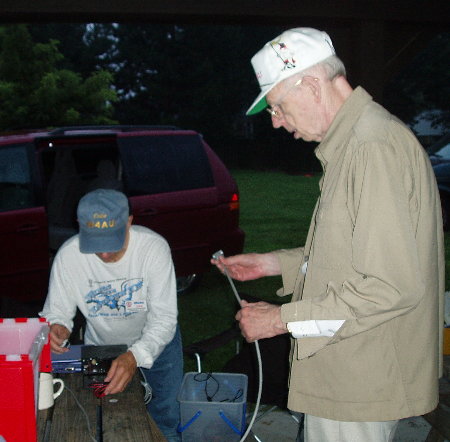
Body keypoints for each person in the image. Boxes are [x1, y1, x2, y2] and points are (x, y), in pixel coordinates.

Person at [212, 28, 444, 442]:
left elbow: (390, 286)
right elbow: (356, 252)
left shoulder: (370, 148)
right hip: (348, 366)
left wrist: (279, 320)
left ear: (313, 85)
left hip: (359, 375)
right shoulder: (355, 144)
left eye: (278, 106)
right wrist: (274, 263)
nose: (277, 122)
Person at [40, 188, 183, 442]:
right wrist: (58, 328)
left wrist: (134, 356)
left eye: (111, 242)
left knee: (166, 418)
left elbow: (164, 319)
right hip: (102, 348)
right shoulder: (68, 256)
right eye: (96, 243)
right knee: (105, 417)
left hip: (159, 344)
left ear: (129, 221)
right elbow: (57, 312)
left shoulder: (153, 249)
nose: (104, 254)